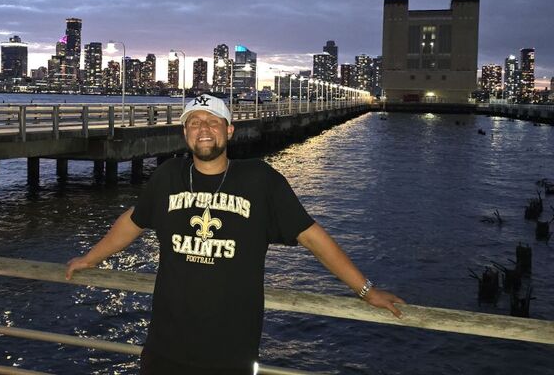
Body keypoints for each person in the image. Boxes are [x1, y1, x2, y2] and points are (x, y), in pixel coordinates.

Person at [66, 94, 404, 375]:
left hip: (230, 352)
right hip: (164, 347)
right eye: (194, 122)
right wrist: (90, 258)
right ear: (185, 133)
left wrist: (365, 290)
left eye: (212, 121)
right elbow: (134, 220)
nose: (203, 129)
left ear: (229, 130)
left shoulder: (259, 180)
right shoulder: (168, 176)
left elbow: (311, 236)